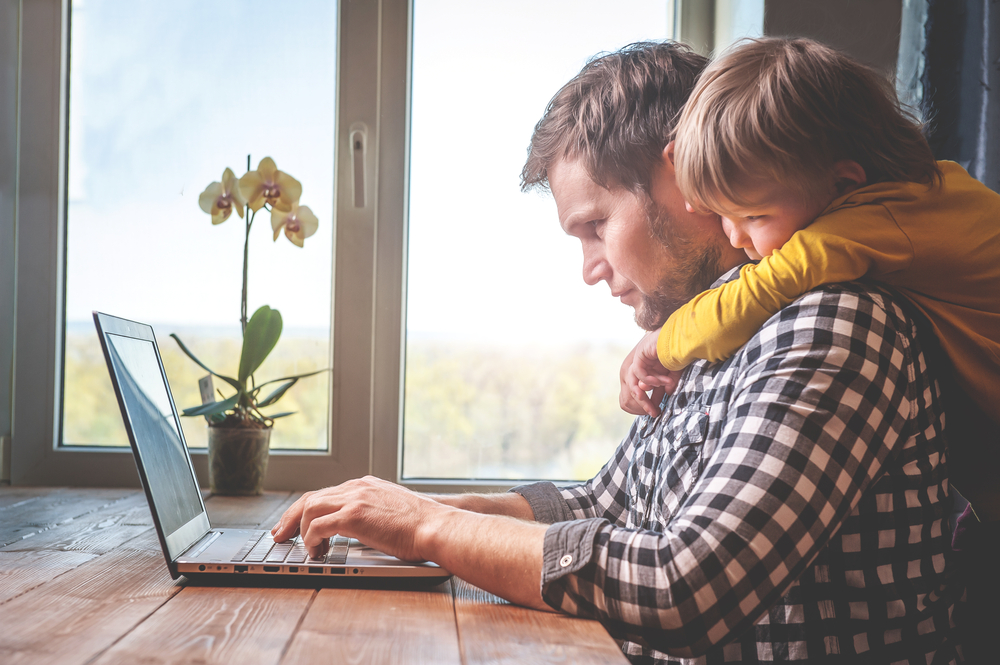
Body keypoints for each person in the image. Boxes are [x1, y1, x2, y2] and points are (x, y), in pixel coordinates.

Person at [271, 42, 963, 663]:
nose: (590, 267)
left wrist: (430, 527)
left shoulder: (831, 321)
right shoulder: (709, 331)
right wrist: (401, 513)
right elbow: (607, 499)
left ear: (682, 176)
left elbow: (683, 584)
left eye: (596, 226)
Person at [620, 39, 1000, 435]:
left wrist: (662, 344)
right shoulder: (924, 194)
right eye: (721, 215)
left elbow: (753, 296)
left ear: (841, 182)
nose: (734, 238)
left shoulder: (867, 224)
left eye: (753, 215)